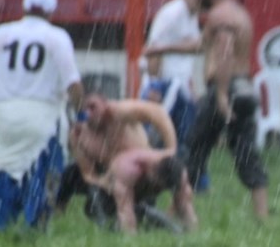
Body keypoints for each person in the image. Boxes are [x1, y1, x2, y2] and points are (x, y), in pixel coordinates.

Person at [0, 0, 82, 231]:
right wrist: (80, 115)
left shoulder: (0, 34)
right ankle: (36, 225)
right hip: (43, 113)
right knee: (45, 169)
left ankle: (4, 223)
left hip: (6, 112)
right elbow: (73, 85)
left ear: (24, 7)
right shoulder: (56, 37)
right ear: (50, 12)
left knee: (6, 166)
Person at [183, 0, 269, 220]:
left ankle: (180, 210)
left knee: (195, 148)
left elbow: (224, 52)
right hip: (242, 87)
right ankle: (262, 216)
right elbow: (201, 44)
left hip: (225, 88)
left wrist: (220, 94)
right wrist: (161, 48)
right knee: (245, 151)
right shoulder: (237, 12)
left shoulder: (220, 16)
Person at [69, 92, 197, 233]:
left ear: (105, 104)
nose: (89, 113)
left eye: (93, 107)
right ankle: (141, 227)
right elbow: (88, 174)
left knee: (181, 192)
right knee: (94, 206)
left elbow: (158, 113)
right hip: (122, 177)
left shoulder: (119, 111)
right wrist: (105, 182)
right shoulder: (79, 135)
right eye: (84, 109)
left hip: (150, 171)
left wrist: (171, 149)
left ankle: (188, 229)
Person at [142, 0, 207, 190]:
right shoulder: (172, 13)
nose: (200, 1)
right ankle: (146, 176)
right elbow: (154, 48)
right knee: (153, 135)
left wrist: (191, 86)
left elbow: (186, 55)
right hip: (165, 84)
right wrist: (153, 84)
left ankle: (191, 181)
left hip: (179, 85)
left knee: (188, 136)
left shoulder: (191, 15)